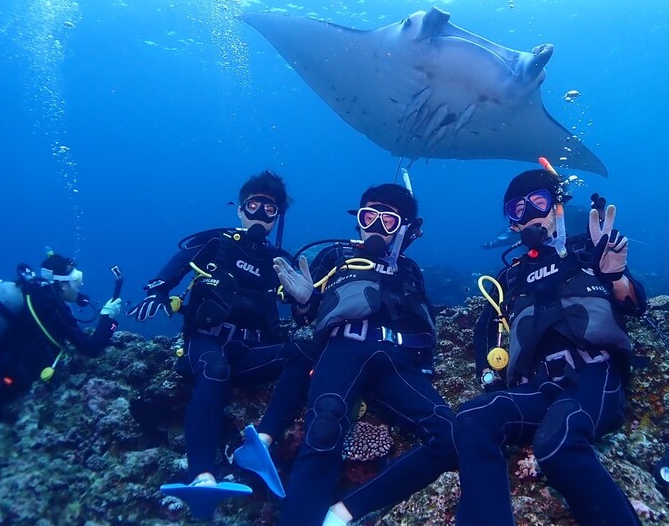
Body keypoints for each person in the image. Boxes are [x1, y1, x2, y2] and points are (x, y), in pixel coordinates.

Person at [454, 167, 646, 525]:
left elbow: (635, 306)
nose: (528, 215)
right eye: (517, 210)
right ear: (512, 224)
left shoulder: (588, 252)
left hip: (594, 372)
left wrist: (616, 276)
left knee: (556, 441)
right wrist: (487, 376)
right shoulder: (509, 277)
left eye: (537, 202)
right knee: (471, 418)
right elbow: (484, 331)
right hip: (538, 385)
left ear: (557, 206)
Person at [127, 171, 315, 516]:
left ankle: (261, 444)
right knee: (215, 370)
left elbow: (304, 317)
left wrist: (305, 301)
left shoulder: (279, 261)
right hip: (207, 344)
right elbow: (179, 263)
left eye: (270, 209)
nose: (260, 214)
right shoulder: (215, 243)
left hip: (250, 352)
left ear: (277, 218)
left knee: (304, 351)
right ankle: (201, 476)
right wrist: (157, 289)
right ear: (240, 209)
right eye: (254, 205)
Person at [272, 182, 457, 526]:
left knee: (450, 435)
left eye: (388, 221)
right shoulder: (336, 256)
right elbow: (309, 314)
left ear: (404, 229)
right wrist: (303, 301)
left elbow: (420, 324)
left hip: (395, 360)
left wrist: (426, 369)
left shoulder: (410, 269)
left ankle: (343, 512)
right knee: (323, 429)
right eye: (369, 216)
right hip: (343, 348)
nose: (375, 227)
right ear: (357, 219)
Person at [0, 253, 121, 445]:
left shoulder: (33, 293)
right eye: (77, 281)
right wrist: (108, 318)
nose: (81, 286)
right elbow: (91, 348)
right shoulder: (53, 308)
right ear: (61, 283)